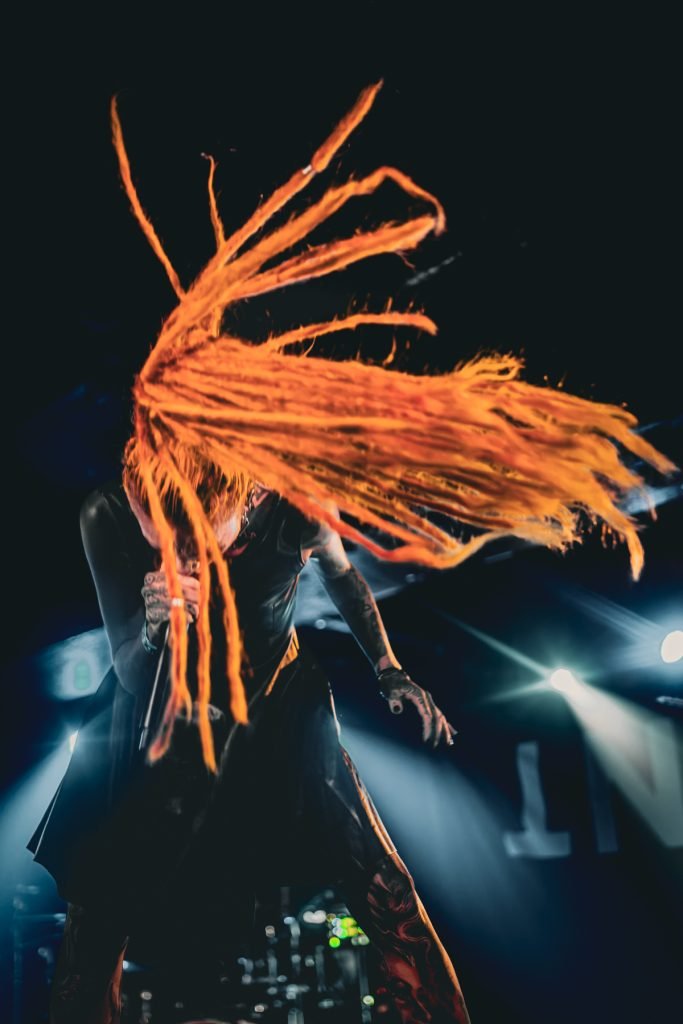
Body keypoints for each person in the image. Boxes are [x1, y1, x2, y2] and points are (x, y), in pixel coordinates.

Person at [29, 443, 472, 1024]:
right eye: (168, 538)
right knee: (98, 917)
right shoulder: (107, 514)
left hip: (277, 696)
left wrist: (389, 668)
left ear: (245, 497)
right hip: (162, 709)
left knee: (385, 886)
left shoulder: (296, 500)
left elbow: (342, 575)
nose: (189, 556)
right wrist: (154, 632)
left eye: (205, 540)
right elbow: (132, 670)